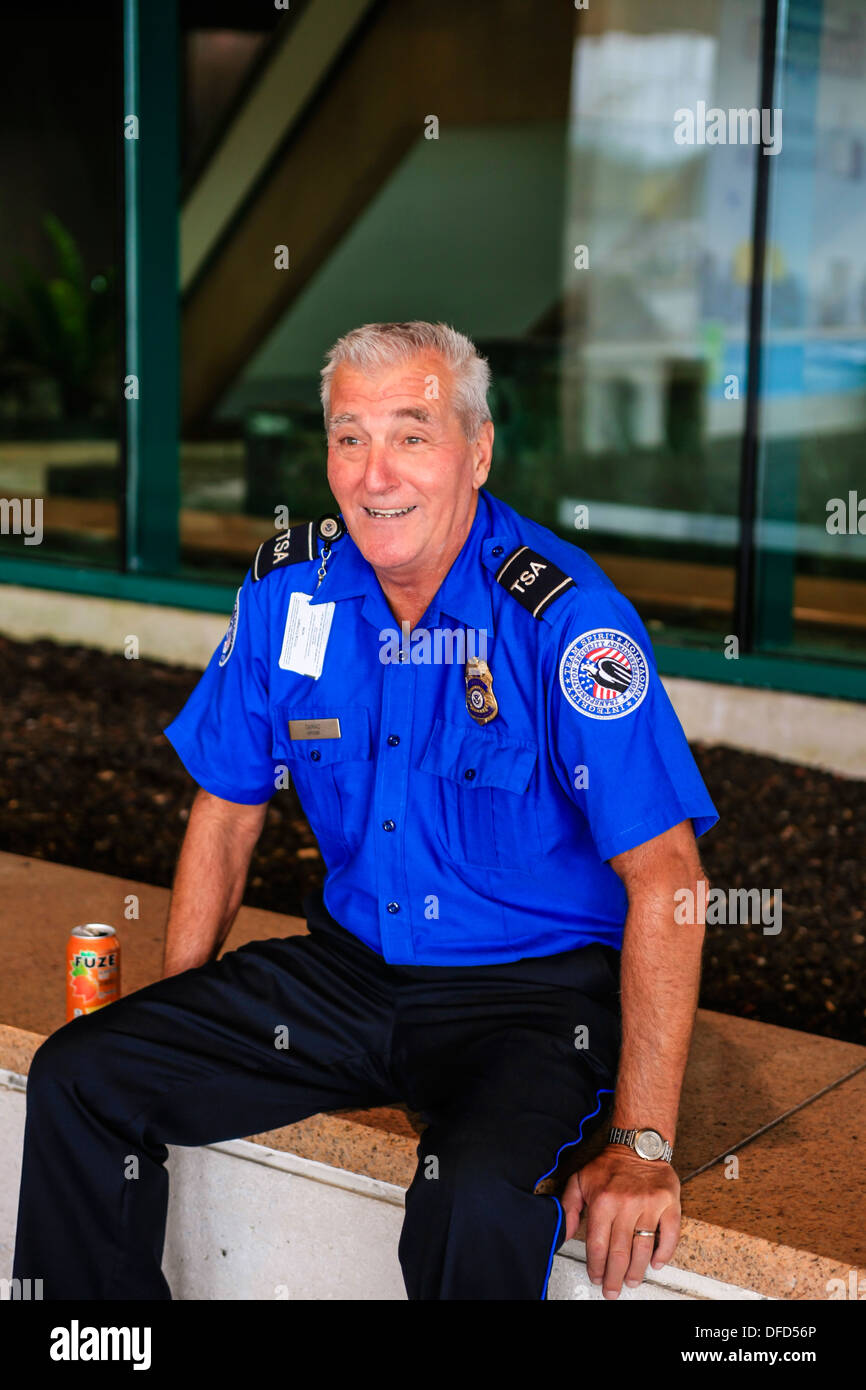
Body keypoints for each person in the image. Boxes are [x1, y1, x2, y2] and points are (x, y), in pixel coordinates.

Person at [13, 320, 717, 1301]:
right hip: (346, 976)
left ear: (475, 450)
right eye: (350, 436)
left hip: (527, 1002)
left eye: (411, 434)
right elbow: (226, 810)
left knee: (472, 1189)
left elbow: (670, 881)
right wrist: (181, 1012)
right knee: (82, 1075)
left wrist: (642, 1142)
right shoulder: (287, 589)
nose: (375, 471)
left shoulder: (564, 621)